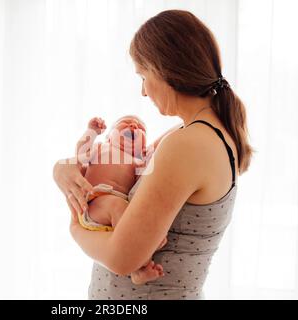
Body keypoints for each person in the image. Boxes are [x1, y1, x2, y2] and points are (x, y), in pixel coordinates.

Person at [53, 9, 252, 299]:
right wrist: (62, 168)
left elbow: (123, 259)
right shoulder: (193, 135)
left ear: (164, 70)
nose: (144, 92)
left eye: (143, 76)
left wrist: (74, 226)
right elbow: (126, 164)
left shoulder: (188, 145)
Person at [75, 115, 167, 285]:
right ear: (110, 136)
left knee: (136, 215)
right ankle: (140, 263)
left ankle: (139, 269)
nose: (134, 125)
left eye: (141, 128)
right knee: (118, 206)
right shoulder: (101, 148)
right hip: (95, 202)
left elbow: (146, 181)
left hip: (119, 208)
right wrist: (92, 132)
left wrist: (151, 157)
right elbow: (81, 154)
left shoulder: (138, 161)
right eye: (125, 122)